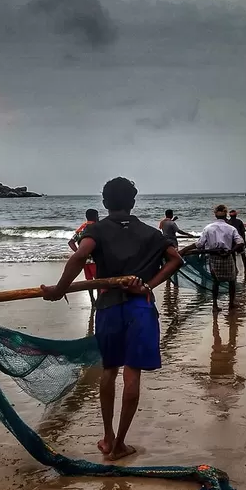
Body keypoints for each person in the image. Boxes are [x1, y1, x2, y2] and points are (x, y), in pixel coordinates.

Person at [42, 178, 182, 461]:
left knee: (109, 370)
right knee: (133, 372)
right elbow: (176, 260)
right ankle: (120, 443)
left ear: (105, 202)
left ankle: (107, 438)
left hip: (109, 307)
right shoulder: (149, 233)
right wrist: (147, 286)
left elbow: (80, 256)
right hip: (140, 307)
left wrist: (59, 290)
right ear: (133, 202)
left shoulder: (97, 230)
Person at [181, 204, 244, 311]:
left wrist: (184, 250)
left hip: (214, 258)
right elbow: (240, 242)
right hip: (227, 257)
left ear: (215, 214)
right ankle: (231, 304)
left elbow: (199, 244)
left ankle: (215, 305)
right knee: (231, 281)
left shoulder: (208, 228)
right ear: (225, 215)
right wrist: (230, 251)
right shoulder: (231, 228)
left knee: (216, 282)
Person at [69, 208, 100, 305]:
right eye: (98, 216)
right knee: (99, 281)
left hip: (84, 261)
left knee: (89, 281)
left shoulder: (81, 229)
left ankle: (92, 300)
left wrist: (78, 252)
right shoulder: (97, 227)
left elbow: (71, 242)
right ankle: (99, 299)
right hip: (96, 260)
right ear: (95, 217)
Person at [158, 210, 192, 286]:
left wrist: (173, 220)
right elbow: (178, 231)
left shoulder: (163, 222)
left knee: (167, 261)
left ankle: (168, 280)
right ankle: (174, 278)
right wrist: (188, 234)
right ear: (171, 215)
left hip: (165, 243)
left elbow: (162, 228)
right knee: (174, 260)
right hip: (173, 243)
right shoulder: (172, 223)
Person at [227, 209, 246, 274]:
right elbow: (243, 233)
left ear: (230, 216)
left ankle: (236, 269)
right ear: (236, 215)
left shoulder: (228, 223)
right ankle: (245, 269)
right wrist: (244, 242)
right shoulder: (239, 221)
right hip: (239, 241)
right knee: (243, 255)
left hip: (231, 242)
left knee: (233, 256)